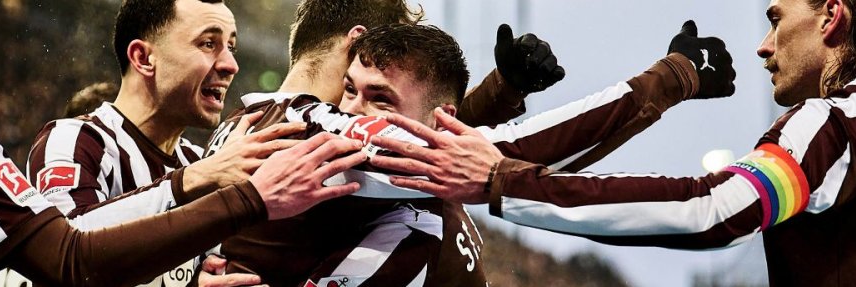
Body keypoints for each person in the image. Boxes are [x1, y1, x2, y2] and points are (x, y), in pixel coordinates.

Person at [369, 1, 856, 285]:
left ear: (832, 13)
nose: (763, 45)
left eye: (775, 18)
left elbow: (718, 209)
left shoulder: (841, 119)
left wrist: (499, 180)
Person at [207, 19, 736, 286]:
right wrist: (672, 78)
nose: (357, 109)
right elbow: (500, 160)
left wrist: (497, 95)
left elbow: (492, 162)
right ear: (356, 39)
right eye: (354, 90)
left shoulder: (255, 123)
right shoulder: (301, 124)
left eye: (378, 97)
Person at [0, 0, 365, 285]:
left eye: (232, 46)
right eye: (208, 43)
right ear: (144, 58)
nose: (230, 65)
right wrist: (210, 189)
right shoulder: (76, 139)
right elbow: (67, 256)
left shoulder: (208, 158)